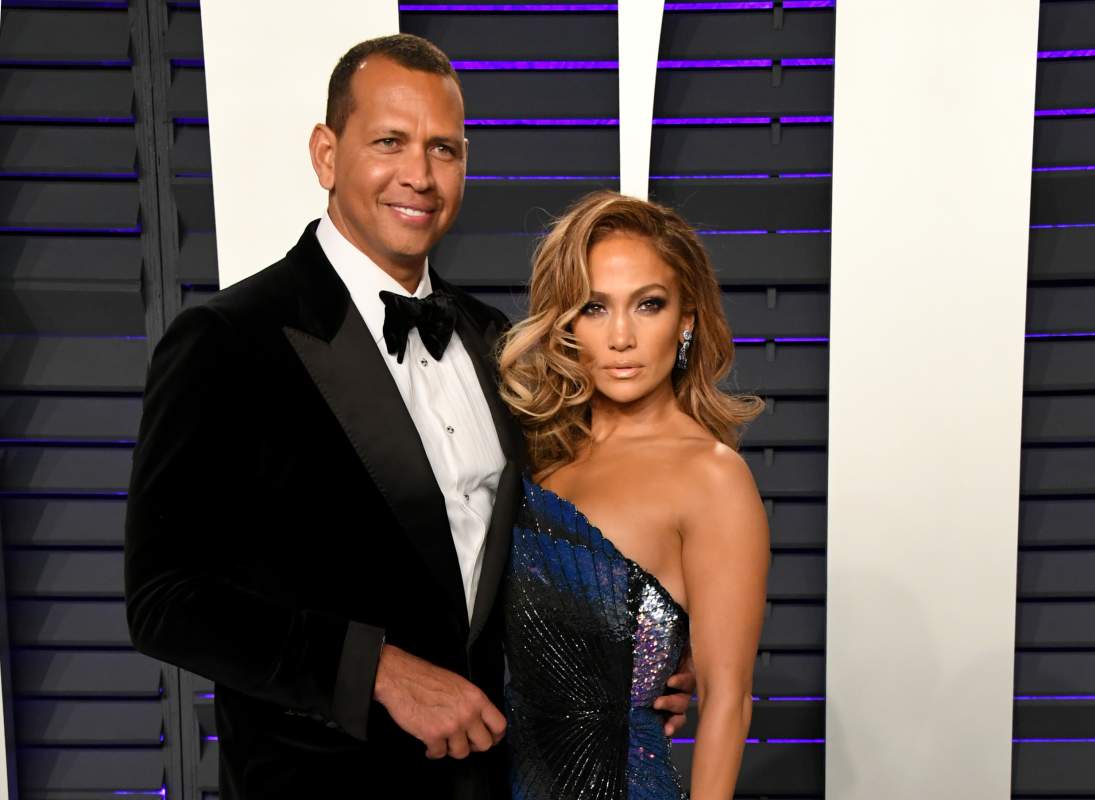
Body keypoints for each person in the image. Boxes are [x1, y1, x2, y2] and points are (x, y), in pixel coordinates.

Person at [124, 36, 690, 799]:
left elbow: (531, 556)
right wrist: (374, 670)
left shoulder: (495, 339)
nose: (419, 175)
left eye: (442, 149)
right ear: (327, 154)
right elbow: (164, 598)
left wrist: (636, 655)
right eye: (389, 142)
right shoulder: (227, 340)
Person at [497, 191, 770, 799]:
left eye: (648, 305)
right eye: (595, 307)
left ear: (686, 319)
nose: (621, 337)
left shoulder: (711, 476)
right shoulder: (536, 458)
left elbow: (728, 701)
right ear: (567, 323)